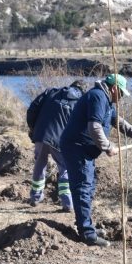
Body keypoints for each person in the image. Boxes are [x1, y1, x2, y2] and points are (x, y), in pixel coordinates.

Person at [59, 74, 132, 247]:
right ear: (114, 88)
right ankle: (88, 234)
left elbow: (119, 122)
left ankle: (86, 226)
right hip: (77, 148)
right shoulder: (98, 96)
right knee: (83, 188)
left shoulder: (106, 100)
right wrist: (107, 146)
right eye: (122, 93)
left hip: (85, 150)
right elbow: (94, 127)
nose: (122, 97)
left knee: (89, 185)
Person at [26, 79, 87, 211]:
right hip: (62, 139)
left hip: (42, 134)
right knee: (65, 167)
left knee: (40, 163)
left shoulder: (51, 92)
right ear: (82, 90)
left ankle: (35, 197)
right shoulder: (81, 101)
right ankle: (67, 203)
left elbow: (32, 109)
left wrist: (33, 128)